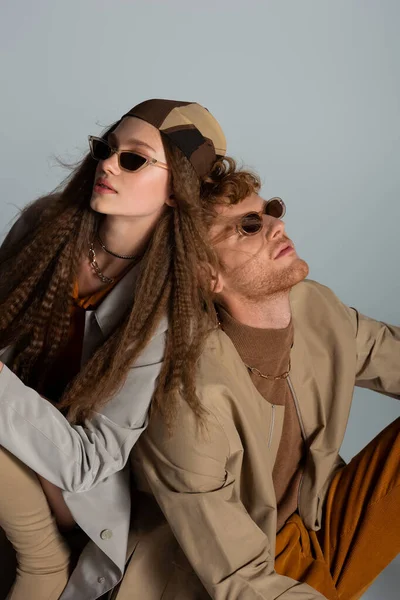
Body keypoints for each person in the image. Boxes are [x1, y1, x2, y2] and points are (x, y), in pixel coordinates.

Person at [0, 98, 240, 600]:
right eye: (106, 149)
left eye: (133, 158)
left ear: (177, 191)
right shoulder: (45, 225)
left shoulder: (168, 308)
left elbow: (89, 464)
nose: (107, 163)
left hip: (67, 495)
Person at [117, 179, 400, 599]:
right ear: (207, 273)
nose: (276, 226)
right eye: (249, 226)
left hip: (319, 524)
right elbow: (237, 579)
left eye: (271, 211)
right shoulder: (188, 401)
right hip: (232, 576)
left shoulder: (316, 309)